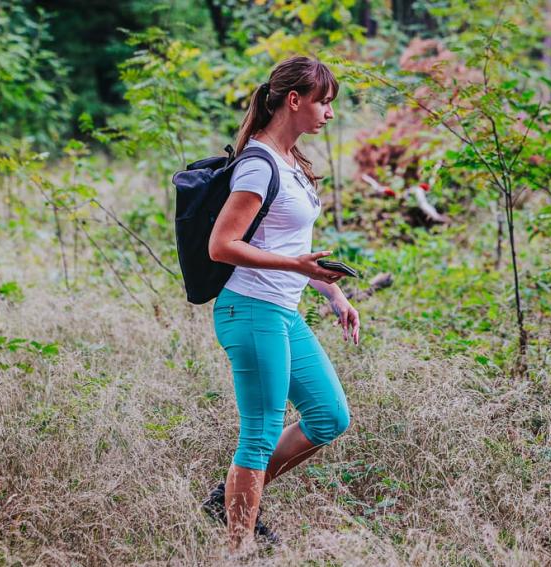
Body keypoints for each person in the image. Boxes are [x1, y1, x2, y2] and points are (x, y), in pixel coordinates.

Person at [205, 55, 360, 553]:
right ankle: (239, 548)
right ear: (295, 100)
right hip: (249, 311)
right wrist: (297, 269)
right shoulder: (258, 163)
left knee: (330, 416)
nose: (329, 113)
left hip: (281, 312)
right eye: (324, 102)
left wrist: (333, 292)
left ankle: (227, 498)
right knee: (260, 433)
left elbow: (293, 245)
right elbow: (221, 245)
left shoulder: (292, 161)